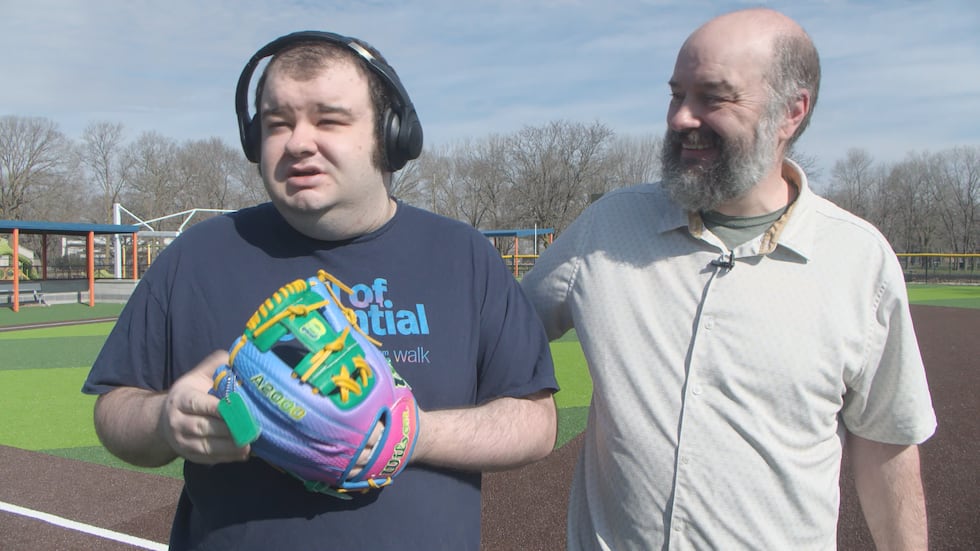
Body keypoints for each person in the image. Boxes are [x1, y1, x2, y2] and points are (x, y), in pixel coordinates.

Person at [83, 31, 557, 551]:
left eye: (329, 119)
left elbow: (534, 421)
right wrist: (162, 419)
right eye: (276, 123)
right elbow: (114, 408)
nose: (298, 142)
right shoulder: (196, 256)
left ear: (391, 134)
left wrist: (412, 433)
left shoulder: (464, 256)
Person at [522, 8, 936, 551]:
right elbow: (497, 329)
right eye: (676, 94)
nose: (680, 118)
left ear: (792, 111)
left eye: (712, 97)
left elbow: (887, 449)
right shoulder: (609, 227)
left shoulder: (859, 261)